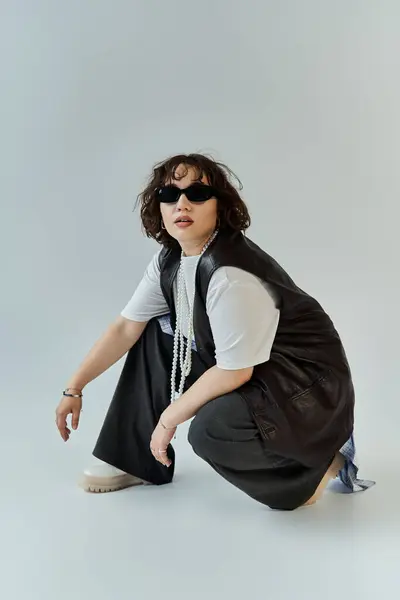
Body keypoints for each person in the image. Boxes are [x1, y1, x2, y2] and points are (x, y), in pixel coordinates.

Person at [55, 153, 373, 510]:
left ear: (220, 206)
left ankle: (307, 475)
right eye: (169, 195)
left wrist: (167, 420)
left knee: (210, 430)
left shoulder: (229, 273)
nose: (182, 204)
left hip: (304, 386)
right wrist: (75, 387)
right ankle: (134, 460)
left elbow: (236, 371)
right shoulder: (171, 259)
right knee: (154, 335)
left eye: (198, 193)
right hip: (257, 366)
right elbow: (126, 327)